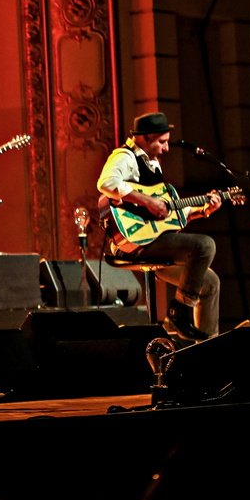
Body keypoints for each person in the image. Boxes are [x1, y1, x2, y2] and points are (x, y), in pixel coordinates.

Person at [96, 111, 220, 340]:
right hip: (134, 244)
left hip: (155, 243)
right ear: (145, 137)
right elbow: (106, 183)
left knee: (210, 283)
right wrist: (148, 201)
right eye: (162, 142)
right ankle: (180, 312)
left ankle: (205, 346)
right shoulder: (125, 156)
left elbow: (168, 216)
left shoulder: (152, 164)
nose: (166, 148)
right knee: (205, 245)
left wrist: (203, 211)